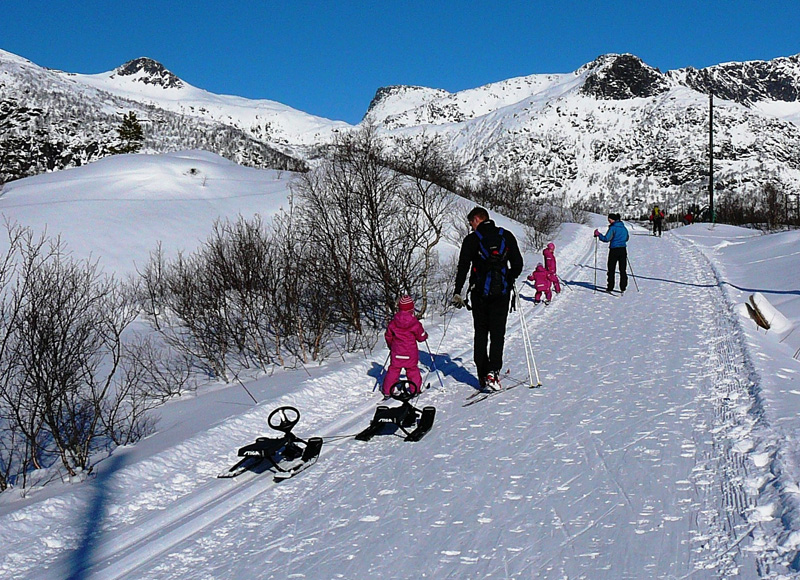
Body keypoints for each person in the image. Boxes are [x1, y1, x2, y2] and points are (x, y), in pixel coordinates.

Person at [452, 206, 523, 391]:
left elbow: (463, 266)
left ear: (477, 219)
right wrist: (509, 278)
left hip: (479, 294)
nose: (471, 227)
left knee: (481, 332)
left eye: (471, 223)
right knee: (498, 333)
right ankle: (493, 371)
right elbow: (518, 263)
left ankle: (482, 375)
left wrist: (458, 290)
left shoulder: (472, 239)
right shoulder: (505, 235)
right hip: (502, 293)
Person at [383, 295, 428, 397]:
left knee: (393, 371)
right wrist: (425, 335)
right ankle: (415, 390)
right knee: (412, 371)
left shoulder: (394, 322)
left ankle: (387, 391)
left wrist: (391, 346)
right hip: (410, 354)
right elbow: (421, 337)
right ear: (411, 308)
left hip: (397, 353)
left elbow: (388, 336)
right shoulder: (415, 323)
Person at [594, 212, 629, 294]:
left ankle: (610, 287)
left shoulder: (613, 228)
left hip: (614, 250)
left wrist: (598, 234)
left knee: (611, 269)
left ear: (611, 219)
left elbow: (606, 239)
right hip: (623, 249)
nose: (608, 221)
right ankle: (623, 287)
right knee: (622, 269)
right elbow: (627, 238)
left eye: (609, 219)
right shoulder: (624, 228)